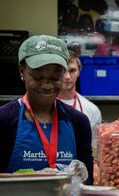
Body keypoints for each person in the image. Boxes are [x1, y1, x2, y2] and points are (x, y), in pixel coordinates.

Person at [0, 35, 93, 184]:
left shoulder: (78, 122)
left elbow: (87, 185)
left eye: (55, 77)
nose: (47, 85)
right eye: (37, 77)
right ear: (22, 71)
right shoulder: (4, 119)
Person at [58, 50, 102, 145]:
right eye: (62, 71)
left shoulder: (92, 109)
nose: (67, 77)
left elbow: (94, 147)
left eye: (72, 70)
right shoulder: (44, 105)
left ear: (79, 72)